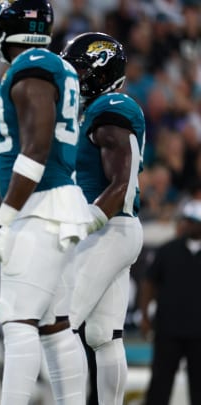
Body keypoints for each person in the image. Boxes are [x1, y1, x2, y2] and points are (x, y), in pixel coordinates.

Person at [0, 1, 91, 403]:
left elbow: (36, 148)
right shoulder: (56, 65)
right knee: (54, 324)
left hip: (40, 204)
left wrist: (4, 218)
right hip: (60, 202)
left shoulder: (31, 66)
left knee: (17, 318)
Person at [60, 32, 146, 405]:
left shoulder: (110, 107)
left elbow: (121, 183)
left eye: (78, 69)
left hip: (109, 227)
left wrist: (87, 221)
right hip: (114, 228)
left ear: (98, 70)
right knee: (103, 335)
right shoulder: (93, 112)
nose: (72, 76)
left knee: (61, 323)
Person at [140, 199, 201, 405]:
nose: (188, 224)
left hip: (199, 332)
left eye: (193, 221)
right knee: (160, 384)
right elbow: (148, 283)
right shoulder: (168, 250)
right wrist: (145, 316)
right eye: (187, 220)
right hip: (168, 329)